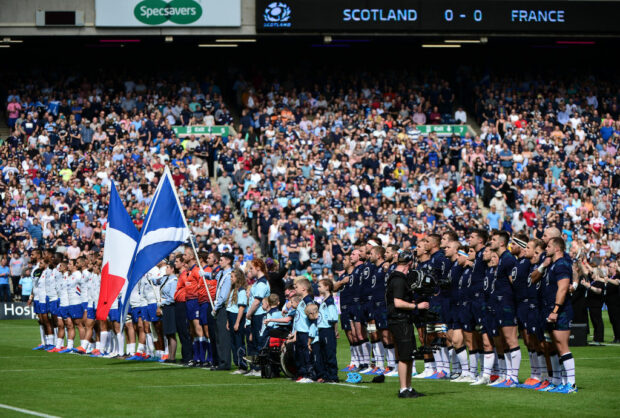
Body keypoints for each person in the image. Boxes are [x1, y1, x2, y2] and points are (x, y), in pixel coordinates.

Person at [386, 250, 428, 398]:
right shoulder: (398, 280)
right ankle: (403, 389)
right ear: (409, 263)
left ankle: (408, 387)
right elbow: (397, 302)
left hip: (402, 319)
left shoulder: (397, 277)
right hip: (399, 320)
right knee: (404, 356)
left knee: (409, 355)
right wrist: (416, 306)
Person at [245, 258, 271, 376]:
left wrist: (249, 313)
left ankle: (260, 368)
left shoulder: (262, 283)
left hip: (259, 315)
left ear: (258, 268)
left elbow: (256, 302)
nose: (250, 270)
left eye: (252, 268)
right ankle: (255, 368)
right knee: (254, 341)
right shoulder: (257, 282)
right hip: (256, 315)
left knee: (259, 342)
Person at [211, 252, 234, 370]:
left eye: (221, 260)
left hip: (223, 307)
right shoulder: (221, 273)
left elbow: (224, 295)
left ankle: (225, 362)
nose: (219, 262)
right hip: (219, 307)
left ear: (228, 261)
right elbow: (213, 276)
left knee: (223, 336)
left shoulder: (229, 275)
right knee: (218, 336)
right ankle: (221, 361)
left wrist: (216, 307)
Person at [317, 279, 339, 383]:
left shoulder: (330, 302)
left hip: (327, 330)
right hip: (322, 330)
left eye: (320, 286)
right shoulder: (324, 301)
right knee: (323, 353)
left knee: (329, 353)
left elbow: (334, 318)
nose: (318, 288)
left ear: (327, 287)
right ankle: (326, 375)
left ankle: (333, 376)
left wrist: (335, 330)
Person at [227, 268, 249, 373]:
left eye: (232, 277)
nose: (231, 279)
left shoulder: (241, 291)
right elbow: (231, 306)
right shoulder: (233, 290)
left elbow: (241, 308)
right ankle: (237, 364)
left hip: (237, 317)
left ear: (238, 278)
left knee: (239, 342)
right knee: (233, 342)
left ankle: (243, 365)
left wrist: (237, 322)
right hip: (231, 316)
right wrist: (228, 321)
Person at [158, 261, 179, 363]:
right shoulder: (166, 278)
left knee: (171, 332)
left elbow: (172, 297)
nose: (166, 269)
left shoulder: (173, 280)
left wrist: (162, 302)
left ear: (172, 269)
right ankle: (170, 356)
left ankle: (172, 357)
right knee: (167, 333)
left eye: (167, 267)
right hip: (165, 307)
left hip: (170, 307)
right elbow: (157, 281)